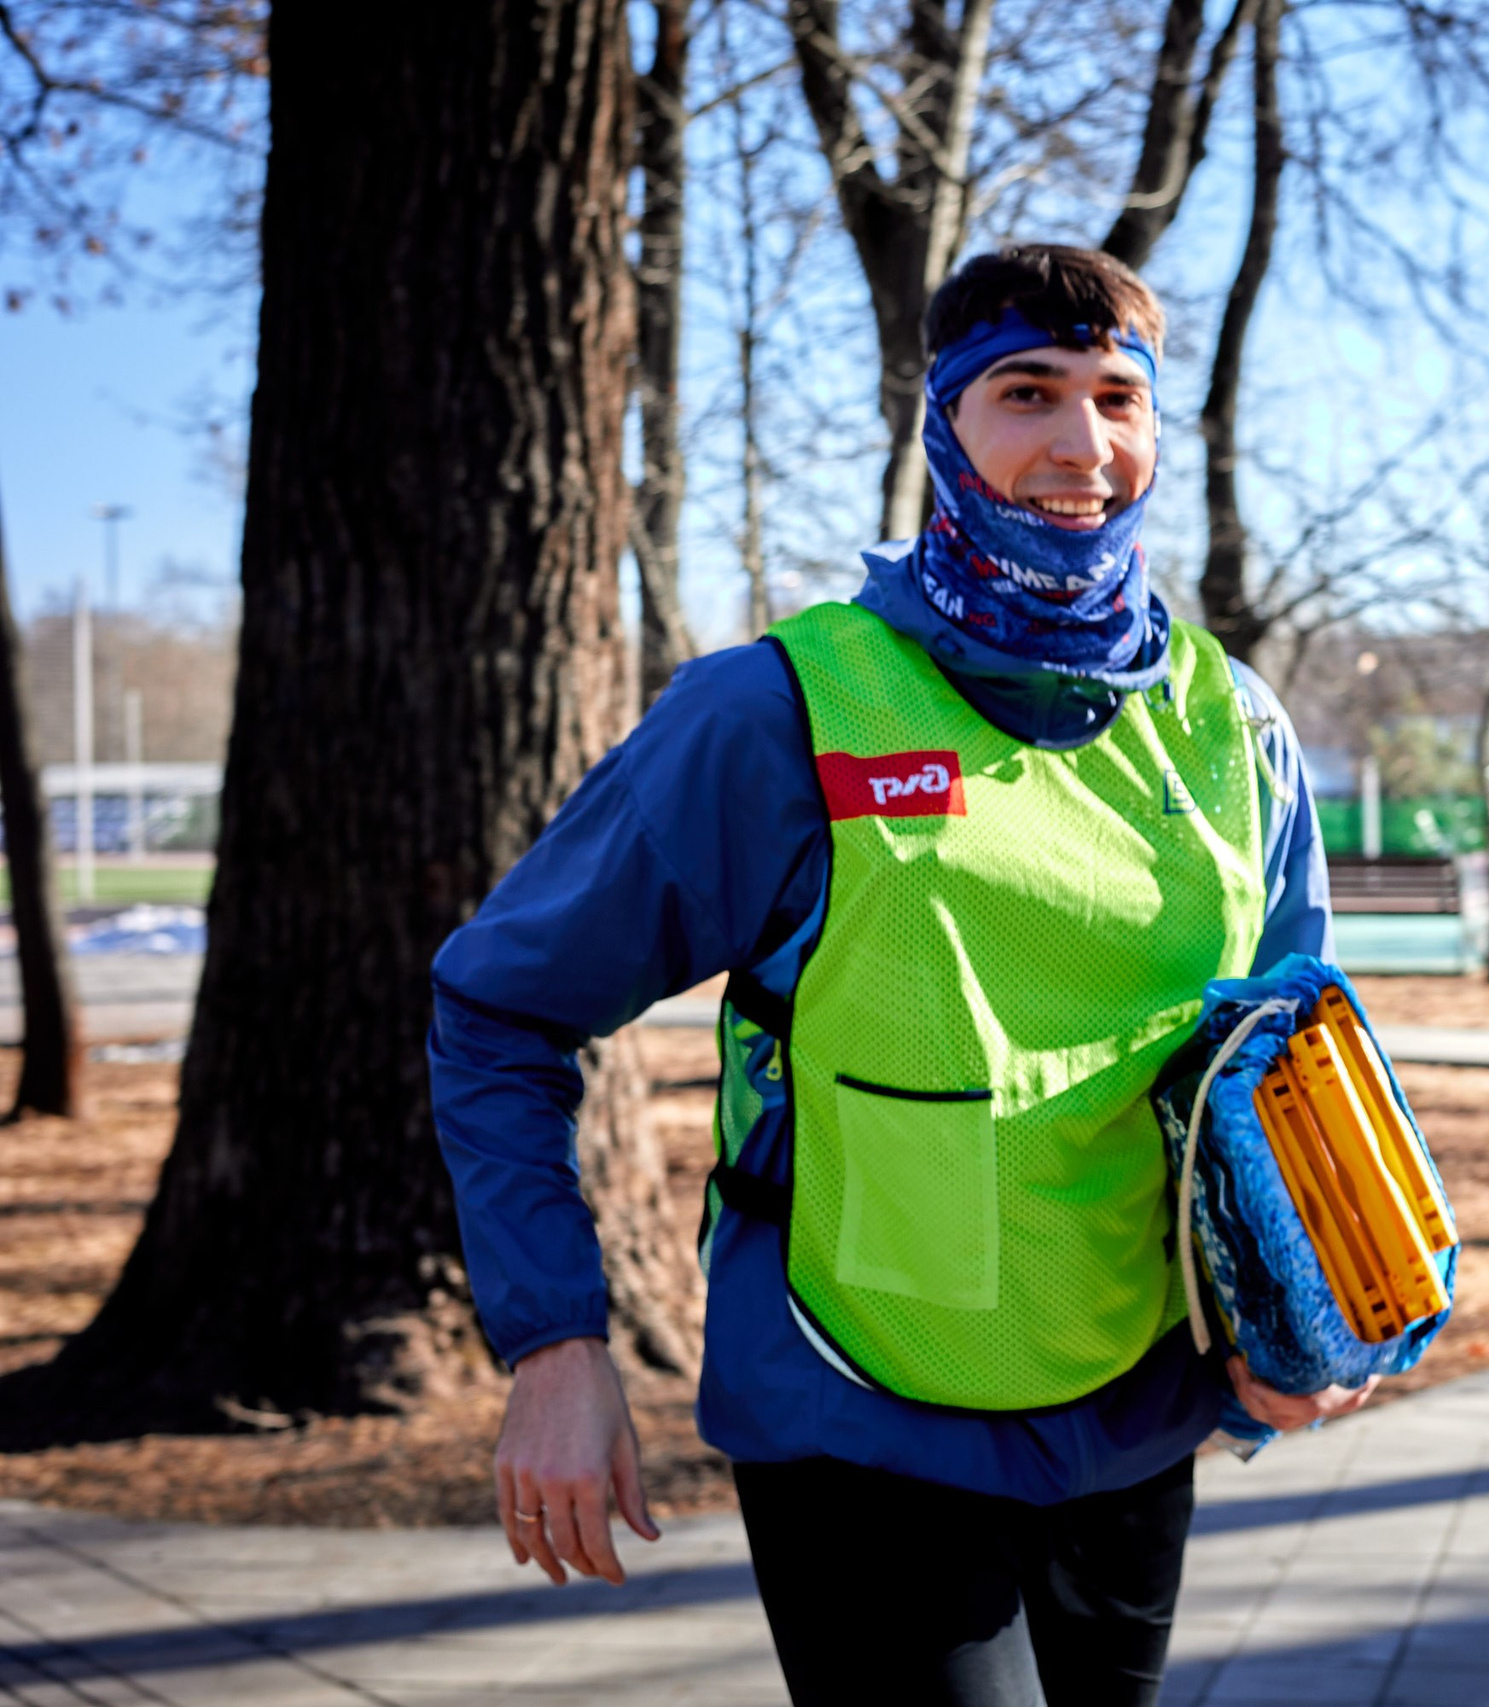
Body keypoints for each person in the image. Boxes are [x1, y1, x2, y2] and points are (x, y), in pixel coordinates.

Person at [427, 244, 1373, 1707]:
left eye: (1120, 397)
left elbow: (1283, 1050)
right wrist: (554, 1341)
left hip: (1129, 1410)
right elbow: (501, 1005)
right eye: (1027, 393)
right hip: (856, 1414)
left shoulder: (1227, 719)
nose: (1082, 443)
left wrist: (1297, 1308)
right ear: (940, 424)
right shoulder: (777, 708)